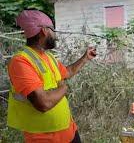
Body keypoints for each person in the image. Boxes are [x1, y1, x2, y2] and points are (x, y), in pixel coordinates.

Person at [7, 10, 97, 143]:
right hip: (44, 139)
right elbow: (44, 103)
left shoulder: (48, 57)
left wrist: (85, 58)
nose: (55, 35)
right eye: (52, 30)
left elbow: (68, 71)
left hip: (69, 131)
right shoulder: (21, 61)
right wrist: (64, 87)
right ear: (44, 30)